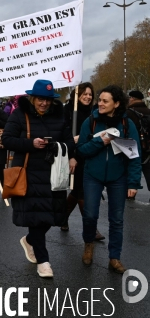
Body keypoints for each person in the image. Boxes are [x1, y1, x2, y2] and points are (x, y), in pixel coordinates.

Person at [2, 79, 75, 278]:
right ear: (33, 98)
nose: (44, 103)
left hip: (54, 174)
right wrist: (30, 143)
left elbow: (69, 141)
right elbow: (6, 140)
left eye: (48, 100)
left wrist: (63, 150)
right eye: (41, 99)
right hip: (28, 173)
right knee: (35, 217)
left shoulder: (59, 116)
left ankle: (30, 240)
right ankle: (43, 261)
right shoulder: (19, 114)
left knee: (51, 216)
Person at [77, 85, 142, 273]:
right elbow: (81, 150)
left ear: (117, 103)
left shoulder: (126, 124)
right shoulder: (91, 122)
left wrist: (133, 183)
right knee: (89, 214)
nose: (100, 104)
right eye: (100, 100)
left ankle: (114, 257)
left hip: (118, 178)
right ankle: (88, 244)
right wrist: (101, 141)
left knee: (117, 219)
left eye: (105, 101)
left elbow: (134, 155)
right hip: (92, 175)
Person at [61, 83, 104, 240]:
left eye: (90, 94)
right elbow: (63, 134)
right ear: (77, 96)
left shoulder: (95, 112)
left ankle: (62, 217)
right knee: (82, 191)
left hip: (89, 155)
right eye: (84, 94)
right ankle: (91, 229)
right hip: (74, 156)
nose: (87, 97)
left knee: (76, 190)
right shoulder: (68, 112)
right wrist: (71, 155)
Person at [126, 89, 150, 198]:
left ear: (132, 99)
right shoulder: (148, 111)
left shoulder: (129, 113)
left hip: (132, 146)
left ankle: (130, 193)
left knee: (132, 169)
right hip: (147, 147)